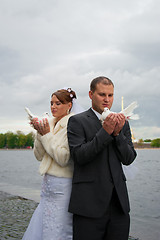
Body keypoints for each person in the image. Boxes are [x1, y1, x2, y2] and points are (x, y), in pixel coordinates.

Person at [67, 76, 137, 240]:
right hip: (88, 205)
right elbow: (79, 156)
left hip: (119, 205)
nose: (107, 99)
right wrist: (105, 132)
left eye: (110, 95)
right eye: (102, 94)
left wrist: (118, 134)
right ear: (91, 94)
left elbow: (129, 158)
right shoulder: (77, 121)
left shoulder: (123, 123)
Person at [22, 88, 80, 240]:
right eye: (51, 103)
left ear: (69, 105)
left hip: (63, 186)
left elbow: (63, 158)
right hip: (47, 185)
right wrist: (40, 133)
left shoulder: (73, 125)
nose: (53, 107)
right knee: (44, 225)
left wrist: (46, 135)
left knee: (59, 228)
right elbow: (38, 156)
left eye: (58, 103)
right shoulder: (48, 123)